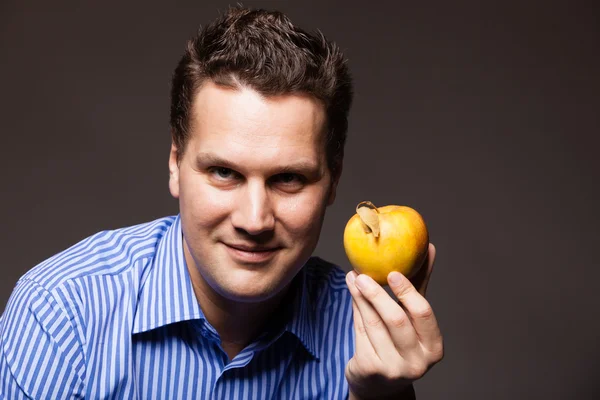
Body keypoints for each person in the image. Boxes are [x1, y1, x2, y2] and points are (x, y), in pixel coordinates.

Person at [0, 6, 443, 399]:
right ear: (175, 163)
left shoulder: (367, 341)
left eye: (288, 178)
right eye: (224, 173)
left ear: (333, 181)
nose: (254, 220)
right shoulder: (60, 316)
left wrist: (380, 399)